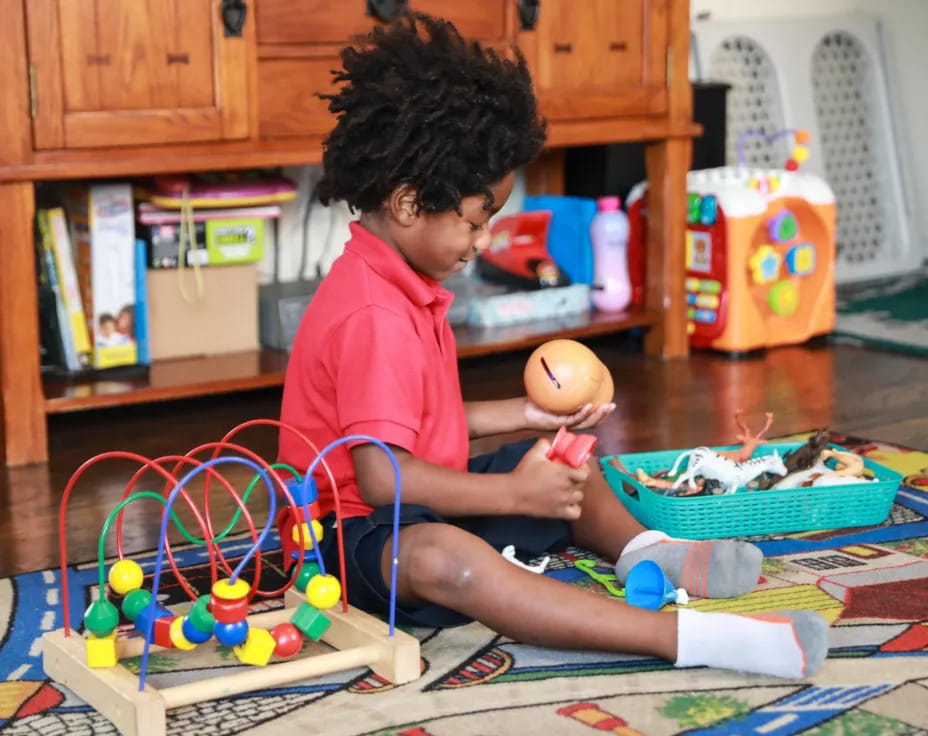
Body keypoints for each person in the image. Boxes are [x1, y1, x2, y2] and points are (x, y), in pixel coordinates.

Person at [278, 13, 828, 680]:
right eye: (477, 223)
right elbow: (380, 477)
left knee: (566, 464)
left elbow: (427, 422)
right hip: (344, 537)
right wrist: (514, 495)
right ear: (405, 202)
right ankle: (682, 637)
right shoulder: (372, 312)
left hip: (410, 502)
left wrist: (528, 418)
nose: (482, 244)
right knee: (447, 560)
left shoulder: (401, 282)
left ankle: (645, 551)